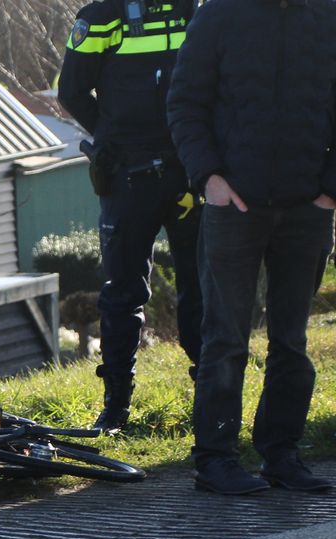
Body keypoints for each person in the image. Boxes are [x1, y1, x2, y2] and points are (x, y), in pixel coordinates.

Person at [167, 0, 336, 495]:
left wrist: (329, 191)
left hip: (307, 207)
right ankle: (215, 460)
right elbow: (184, 103)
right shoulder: (220, 13)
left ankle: (281, 455)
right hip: (233, 205)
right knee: (225, 339)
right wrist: (210, 179)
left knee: (292, 341)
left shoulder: (327, 15)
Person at [57, 0, 203, 433]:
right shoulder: (103, 15)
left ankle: (211, 401)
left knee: (202, 289)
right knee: (122, 293)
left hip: (192, 172)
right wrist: (112, 138)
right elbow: (71, 91)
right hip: (127, 177)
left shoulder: (201, 10)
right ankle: (116, 407)